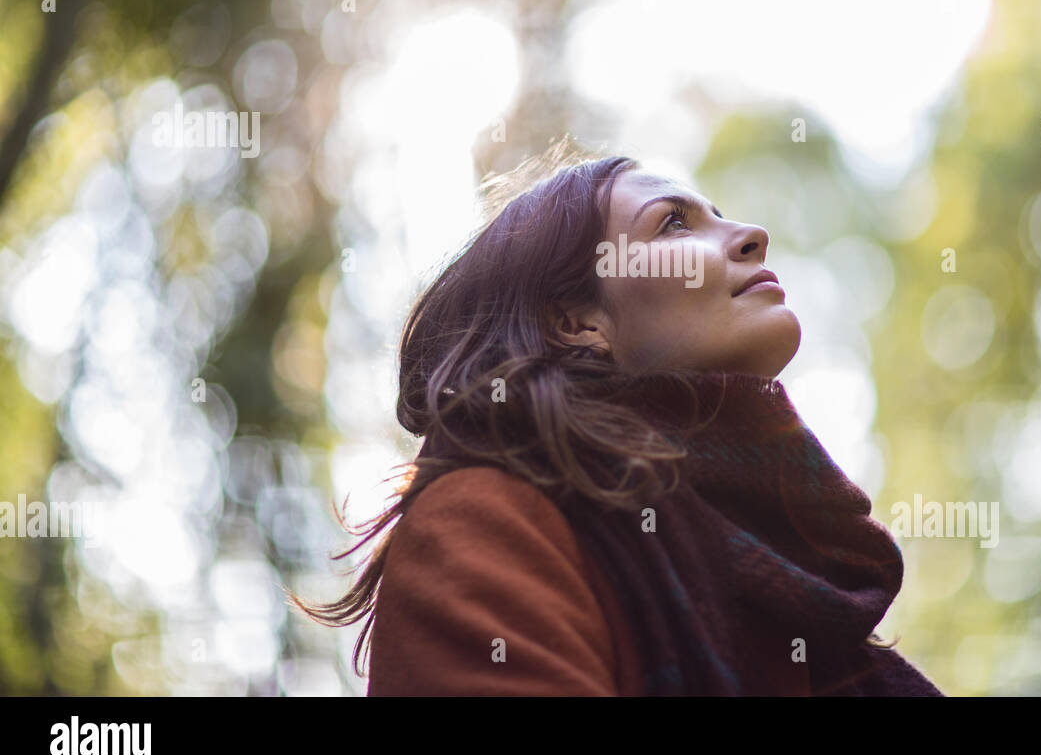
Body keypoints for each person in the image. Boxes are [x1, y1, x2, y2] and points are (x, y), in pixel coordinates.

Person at [293, 137, 943, 696]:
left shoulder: (795, 572)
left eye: (717, 214)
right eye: (674, 224)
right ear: (574, 322)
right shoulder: (483, 515)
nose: (750, 234)